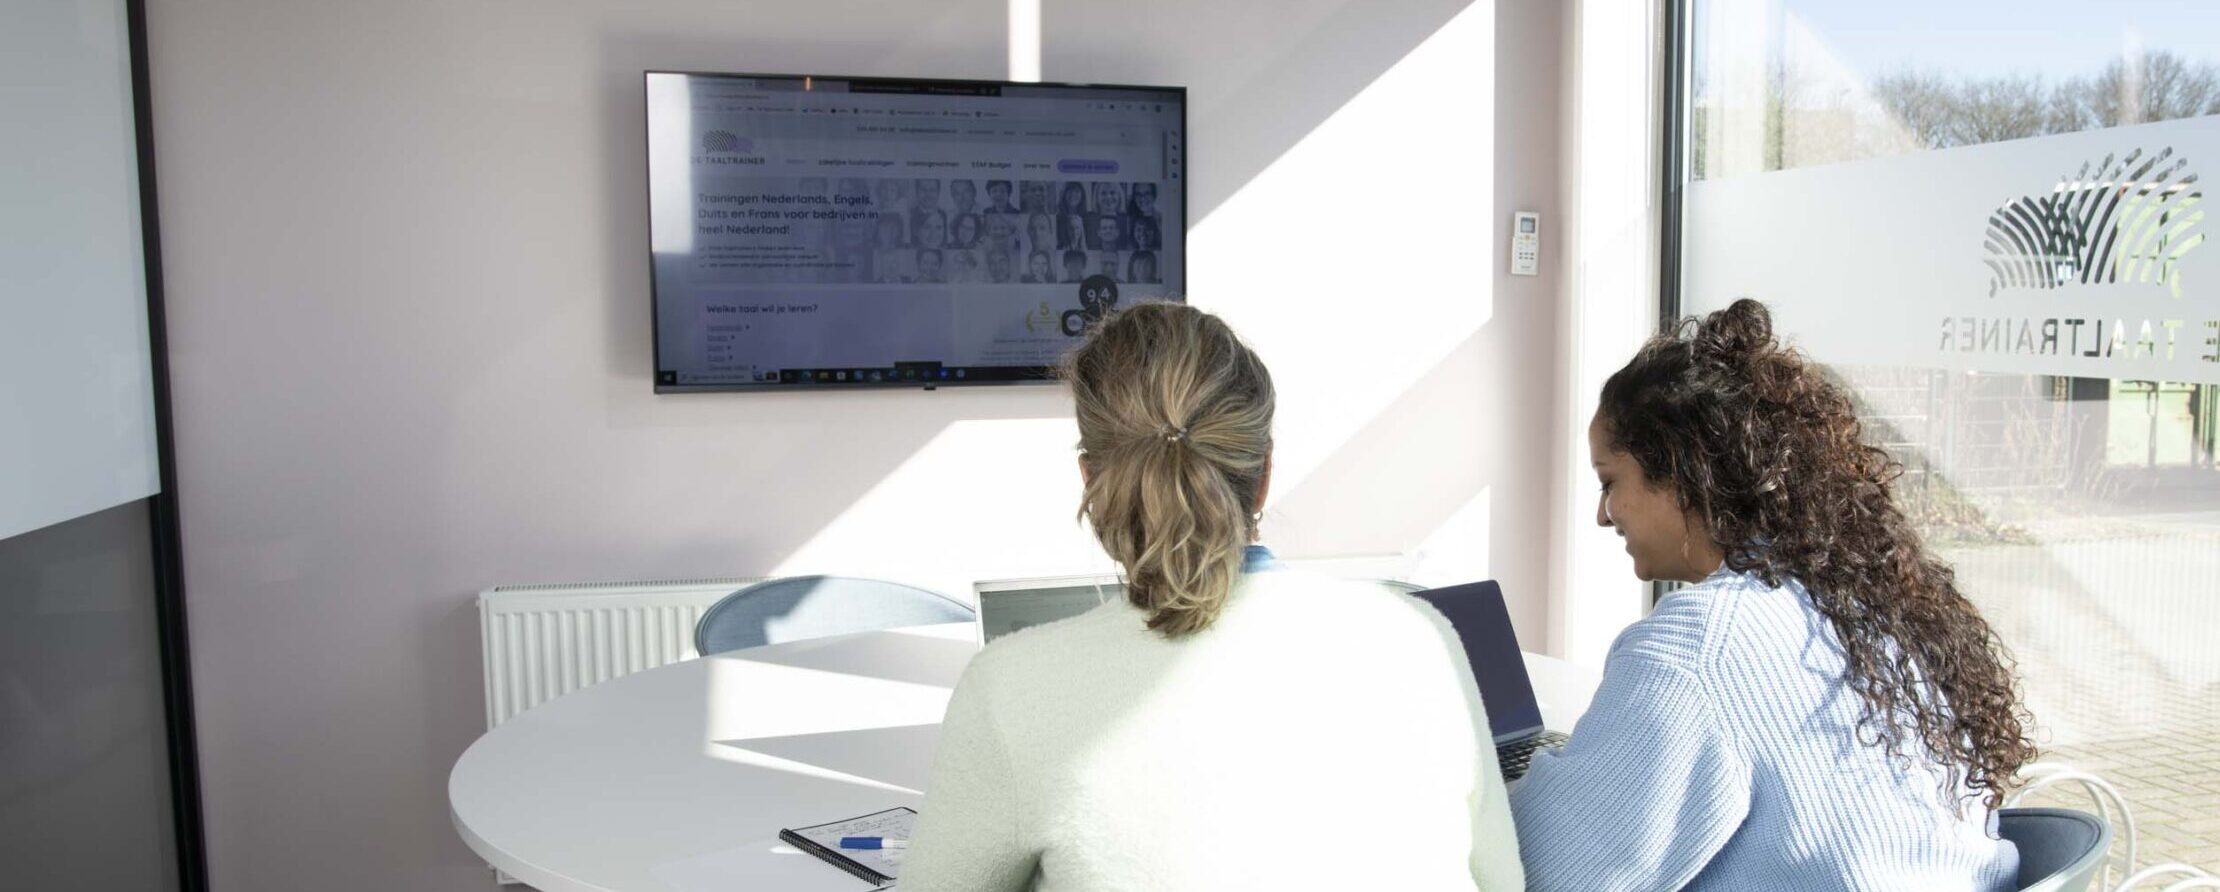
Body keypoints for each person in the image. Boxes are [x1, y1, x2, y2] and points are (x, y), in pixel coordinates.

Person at [901, 302, 1522, 892]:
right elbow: (1502, 882)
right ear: (1265, 474)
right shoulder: (1420, 638)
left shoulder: (1010, 688)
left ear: (1091, 480)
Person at [1510, 298, 2032, 892]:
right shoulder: (1863, 601)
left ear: (1679, 472)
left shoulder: (1699, 647)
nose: (1603, 515)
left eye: (1610, 482)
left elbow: (1550, 876)